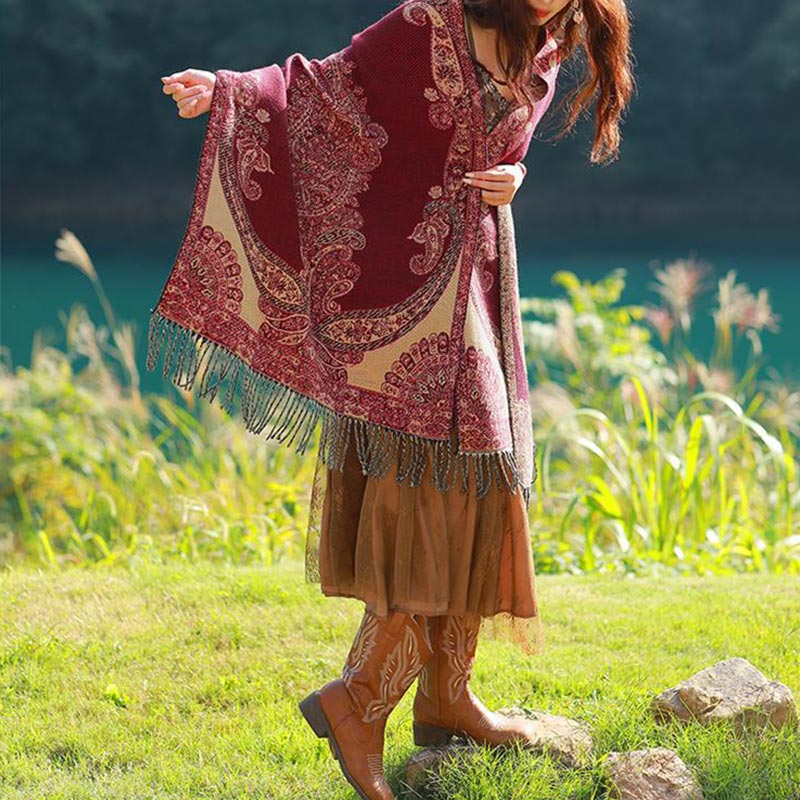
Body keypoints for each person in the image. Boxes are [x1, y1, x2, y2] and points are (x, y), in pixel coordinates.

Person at [158, 0, 633, 797]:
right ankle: (359, 705)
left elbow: (499, 138)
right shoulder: (430, 21)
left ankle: (447, 700)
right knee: (440, 496)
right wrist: (233, 92)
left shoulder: (561, 35)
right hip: (404, 302)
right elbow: (322, 91)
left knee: (485, 488)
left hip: (477, 282)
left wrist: (516, 173)